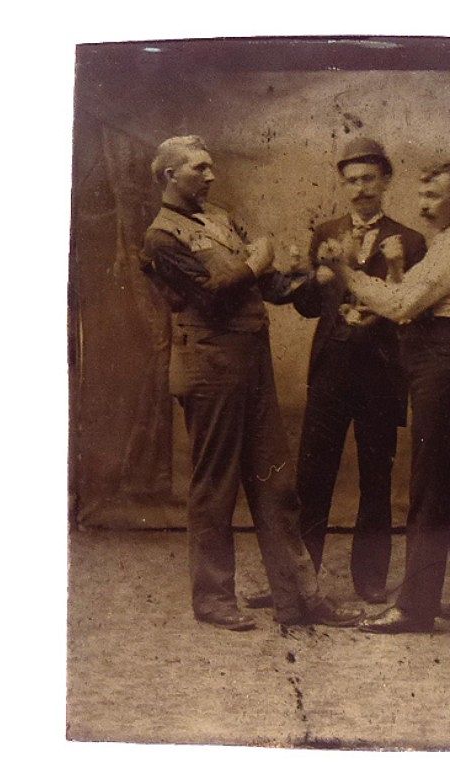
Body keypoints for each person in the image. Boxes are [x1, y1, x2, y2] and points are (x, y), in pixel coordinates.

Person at [140, 135, 362, 631]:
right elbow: (210, 297)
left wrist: (311, 280)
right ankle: (214, 600)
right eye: (200, 168)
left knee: (277, 484)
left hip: (251, 363)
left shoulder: (219, 217)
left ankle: (301, 597)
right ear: (169, 177)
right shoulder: (161, 238)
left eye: (212, 166)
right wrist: (255, 261)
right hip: (209, 367)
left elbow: (267, 285)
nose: (212, 176)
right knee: (215, 486)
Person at [328, 160, 450, 632]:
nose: (423, 206)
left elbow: (403, 306)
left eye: (435, 196)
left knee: (429, 489)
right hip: (448, 367)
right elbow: (412, 300)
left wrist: (344, 271)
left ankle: (415, 607)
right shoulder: (449, 243)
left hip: (445, 372)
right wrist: (394, 274)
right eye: (421, 196)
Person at [287, 137, 427, 604]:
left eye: (369, 178)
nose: (360, 189)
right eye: (351, 180)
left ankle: (369, 582)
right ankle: (301, 581)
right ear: (342, 185)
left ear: (386, 180)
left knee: (376, 478)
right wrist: (315, 277)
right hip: (330, 371)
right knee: (312, 477)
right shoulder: (325, 231)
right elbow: (307, 307)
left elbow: (412, 311)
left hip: (381, 374)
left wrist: (395, 271)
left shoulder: (409, 240)